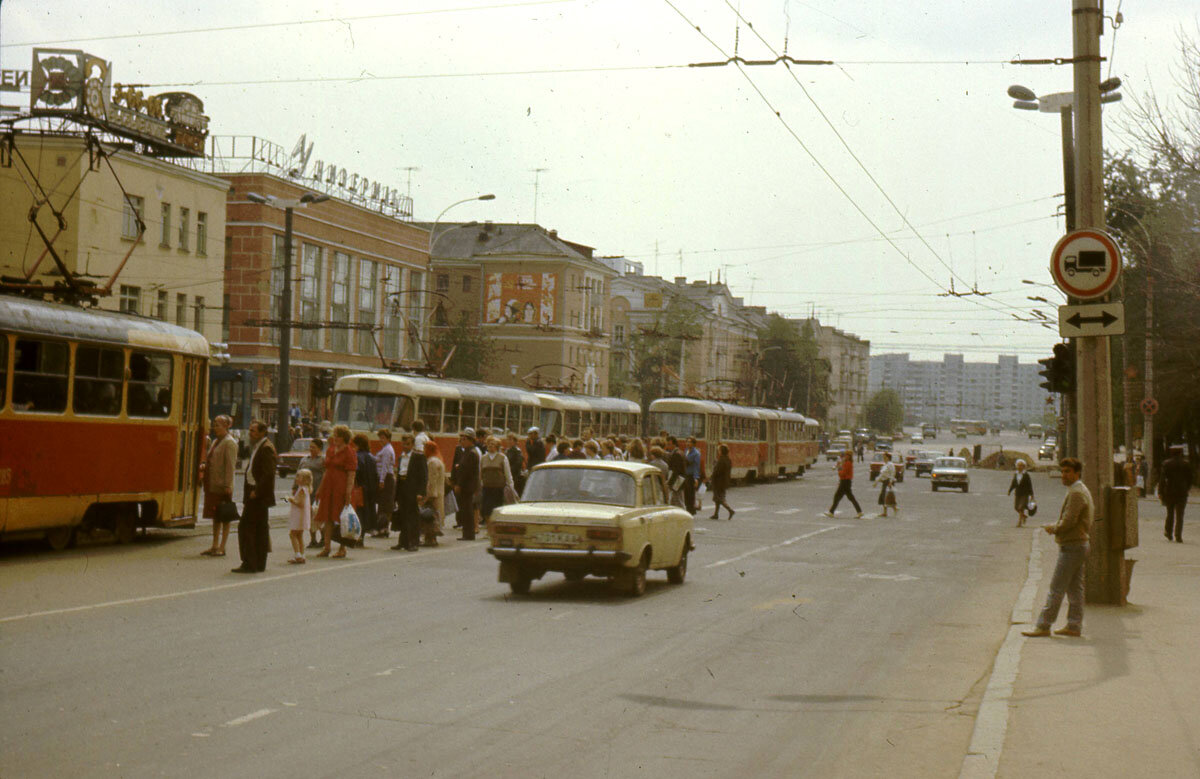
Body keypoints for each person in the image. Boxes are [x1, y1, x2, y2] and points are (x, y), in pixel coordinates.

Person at [1023, 458, 1094, 638]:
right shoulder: (1079, 489)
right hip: (1079, 544)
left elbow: (1069, 521)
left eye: (1067, 472)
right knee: (1075, 589)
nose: (1064, 475)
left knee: (1056, 588)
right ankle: (1074, 625)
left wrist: (1053, 528)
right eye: (1062, 471)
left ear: (1077, 473)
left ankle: (1043, 625)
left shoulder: (1077, 493)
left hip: (1072, 546)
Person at [233, 419, 276, 573]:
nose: (250, 433)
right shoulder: (259, 446)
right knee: (259, 528)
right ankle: (258, 562)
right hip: (255, 493)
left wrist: (257, 491)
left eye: (253, 431)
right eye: (250, 430)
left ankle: (250, 562)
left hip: (257, 495)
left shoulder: (266, 448)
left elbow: (268, 474)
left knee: (247, 527)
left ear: (262, 432)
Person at [314, 425, 356, 559]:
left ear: (344, 438)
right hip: (329, 486)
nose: (335, 438)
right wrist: (320, 489)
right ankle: (326, 548)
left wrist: (348, 492)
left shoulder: (349, 452)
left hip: (341, 487)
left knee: (340, 518)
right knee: (327, 517)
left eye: (337, 435)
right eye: (335, 435)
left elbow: (351, 474)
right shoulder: (331, 450)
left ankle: (342, 548)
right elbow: (326, 471)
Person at [201, 415, 238, 557]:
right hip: (212, 484)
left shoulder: (230, 443)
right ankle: (214, 545)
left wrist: (228, 485)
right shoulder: (216, 441)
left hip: (222, 486)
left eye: (217, 425)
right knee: (215, 516)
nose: (214, 427)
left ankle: (222, 546)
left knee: (225, 516)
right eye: (214, 424)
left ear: (226, 426)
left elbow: (230, 466)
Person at [391, 432, 428, 551]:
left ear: (412, 444)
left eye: (407, 444)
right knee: (402, 515)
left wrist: (420, 492)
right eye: (403, 444)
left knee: (412, 516)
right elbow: (400, 472)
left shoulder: (418, 456)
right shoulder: (401, 457)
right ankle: (402, 542)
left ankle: (413, 542)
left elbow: (423, 476)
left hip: (412, 488)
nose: (405, 446)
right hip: (402, 486)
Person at [451, 429, 481, 540]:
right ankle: (467, 533)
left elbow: (466, 472)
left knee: (467, 510)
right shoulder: (467, 452)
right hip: (465, 485)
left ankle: (469, 533)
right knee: (465, 509)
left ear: (470, 440)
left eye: (464, 439)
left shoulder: (471, 453)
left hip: (467, 486)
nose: (462, 441)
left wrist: (459, 484)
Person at [480, 435, 515, 528]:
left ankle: (496, 528)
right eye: (489, 444)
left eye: (493, 444)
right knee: (486, 510)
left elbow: (508, 473)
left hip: (498, 488)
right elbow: (480, 472)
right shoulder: (483, 458)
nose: (490, 446)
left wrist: (511, 486)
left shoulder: (502, 457)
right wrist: (480, 484)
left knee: (497, 509)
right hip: (487, 487)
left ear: (497, 446)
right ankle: (489, 528)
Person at [1159, 445, 1193, 543]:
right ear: (1181, 453)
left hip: (1169, 491)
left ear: (1171, 453)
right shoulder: (1186, 464)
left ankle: (1168, 532)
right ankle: (1178, 535)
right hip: (1182, 492)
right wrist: (1187, 488)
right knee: (1180, 515)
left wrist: (1160, 491)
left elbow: (1162, 479)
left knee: (1170, 513)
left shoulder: (1166, 464)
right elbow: (1190, 478)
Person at [298, 439, 325, 549]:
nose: (311, 449)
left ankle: (323, 538)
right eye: (310, 446)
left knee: (318, 516)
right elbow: (298, 473)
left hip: (318, 491)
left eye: (314, 447)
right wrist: (295, 488)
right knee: (308, 516)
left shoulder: (323, 460)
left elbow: (326, 475)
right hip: (306, 492)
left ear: (319, 449)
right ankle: (313, 539)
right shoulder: (304, 459)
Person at [352, 434, 377, 544]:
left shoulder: (357, 456)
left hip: (359, 488)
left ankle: (358, 535)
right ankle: (362, 535)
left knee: (358, 512)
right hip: (370, 488)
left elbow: (356, 472)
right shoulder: (372, 457)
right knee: (367, 511)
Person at [825, 450, 863, 518]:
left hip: (845, 481)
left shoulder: (848, 463)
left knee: (838, 496)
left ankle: (831, 512)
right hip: (846, 482)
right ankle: (859, 511)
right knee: (849, 497)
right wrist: (840, 465)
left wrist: (839, 468)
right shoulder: (847, 463)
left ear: (849, 456)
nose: (844, 456)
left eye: (846, 455)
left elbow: (843, 473)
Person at [422, 440, 447, 546]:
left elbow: (431, 480)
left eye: (425, 448)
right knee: (434, 516)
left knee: (429, 516)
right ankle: (432, 538)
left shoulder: (432, 462)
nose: (423, 451)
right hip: (439, 493)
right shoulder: (438, 460)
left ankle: (430, 538)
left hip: (433, 494)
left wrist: (429, 495)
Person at [374, 429, 396, 540]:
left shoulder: (387, 450)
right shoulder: (385, 449)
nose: (380, 440)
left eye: (383, 438)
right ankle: (382, 528)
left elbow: (385, 466)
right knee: (384, 504)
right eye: (380, 437)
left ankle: (383, 529)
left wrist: (381, 480)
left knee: (385, 504)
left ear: (388, 438)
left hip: (386, 478)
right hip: (386, 478)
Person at [286, 469, 313, 564]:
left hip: (298, 516)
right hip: (303, 516)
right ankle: (302, 554)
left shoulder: (302, 489)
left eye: (298, 476)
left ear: (305, 480)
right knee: (299, 535)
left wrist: (290, 499)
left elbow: (300, 503)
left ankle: (297, 554)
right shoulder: (305, 489)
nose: (296, 478)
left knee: (292, 534)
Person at [708, 443, 735, 519]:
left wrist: (711, 477)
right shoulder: (728, 460)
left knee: (719, 498)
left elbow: (717, 471)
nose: (718, 451)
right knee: (718, 498)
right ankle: (716, 514)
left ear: (721, 451)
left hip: (718, 482)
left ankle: (730, 510)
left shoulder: (721, 460)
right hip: (724, 482)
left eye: (719, 450)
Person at [1008, 459, 1035, 528]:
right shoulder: (1016, 474)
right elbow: (1013, 483)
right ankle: (1024, 516)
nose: (1019, 467)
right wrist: (1010, 490)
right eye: (1018, 465)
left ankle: (1019, 522)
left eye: (1021, 466)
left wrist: (1032, 495)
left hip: (1025, 494)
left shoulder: (1026, 475)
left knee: (1021, 507)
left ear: (1024, 467)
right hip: (1018, 493)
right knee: (1016, 507)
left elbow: (1030, 485)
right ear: (1016, 466)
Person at [666, 436, 688, 509]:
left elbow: (676, 471)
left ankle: (684, 515)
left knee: (678, 500)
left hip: (677, 481)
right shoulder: (680, 452)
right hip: (680, 480)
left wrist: (670, 482)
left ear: (674, 444)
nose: (668, 446)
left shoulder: (676, 454)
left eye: (669, 444)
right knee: (675, 500)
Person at [876, 452, 898, 517]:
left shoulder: (890, 464)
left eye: (884, 457)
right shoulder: (885, 464)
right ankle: (885, 512)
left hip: (888, 482)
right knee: (884, 496)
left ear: (888, 457)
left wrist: (890, 482)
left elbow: (892, 473)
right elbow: (882, 474)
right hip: (885, 481)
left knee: (887, 496)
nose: (883, 458)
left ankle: (894, 508)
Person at [685, 437, 703, 515]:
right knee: (686, 493)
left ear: (693, 444)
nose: (688, 443)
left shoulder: (696, 453)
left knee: (690, 494)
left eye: (690, 442)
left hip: (691, 475)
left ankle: (691, 510)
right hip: (686, 474)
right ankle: (688, 508)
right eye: (687, 442)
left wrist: (696, 478)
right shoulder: (686, 450)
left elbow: (696, 466)